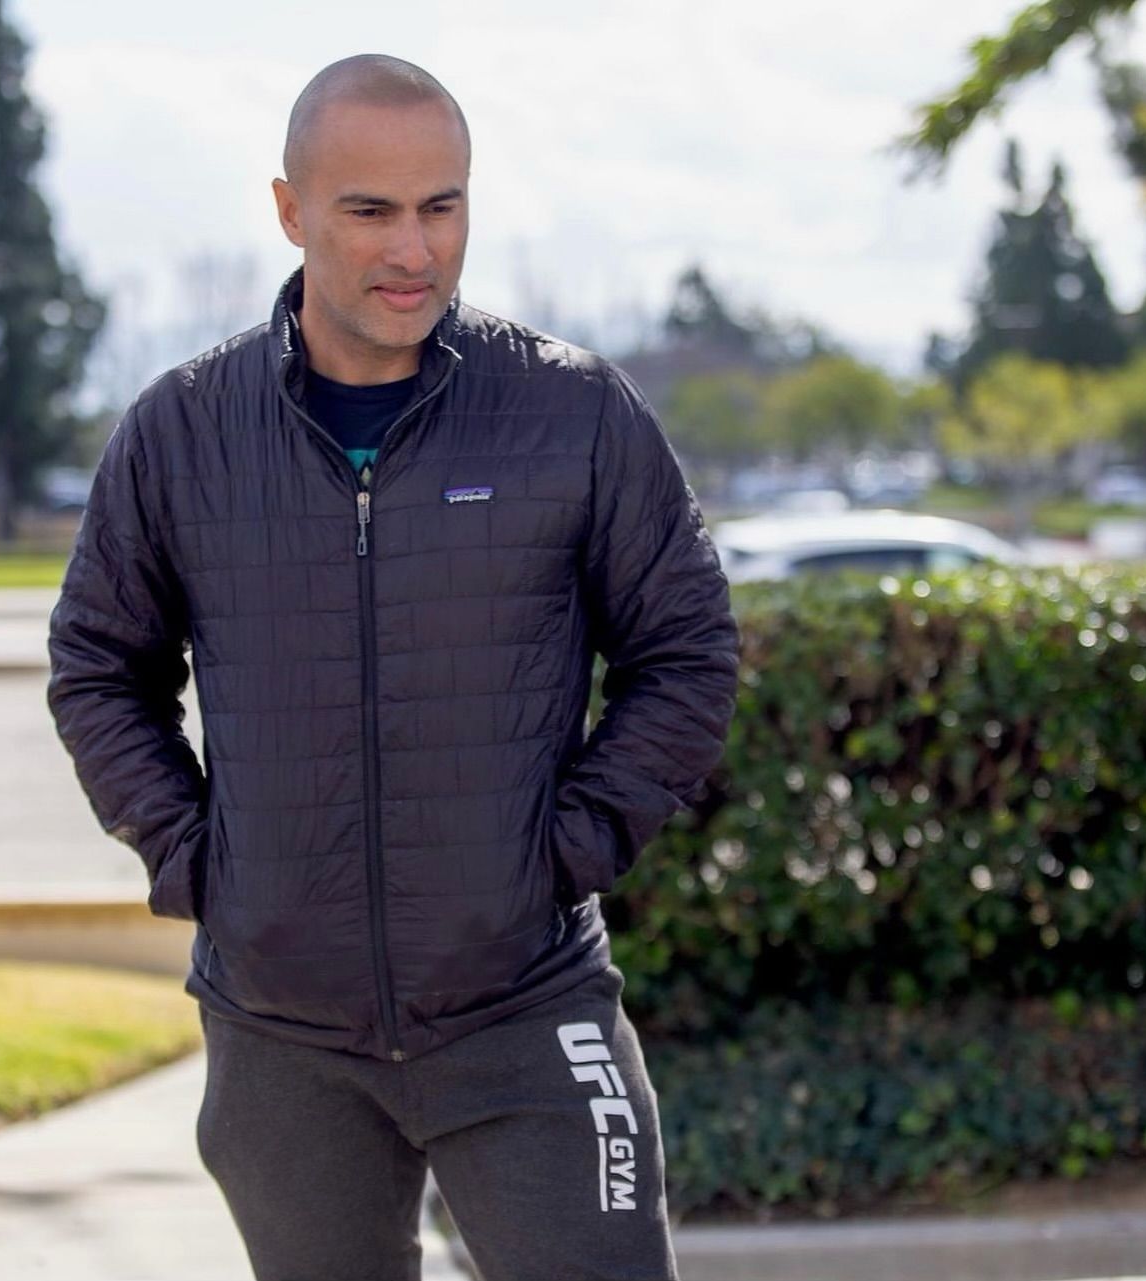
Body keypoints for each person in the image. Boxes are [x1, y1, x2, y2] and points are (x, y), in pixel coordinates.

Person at [48, 53, 739, 1281]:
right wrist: (200, 859)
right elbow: (100, 664)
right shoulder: (182, 431)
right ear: (289, 210)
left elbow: (684, 651)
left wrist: (561, 855)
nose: (413, 249)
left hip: (522, 1008)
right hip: (281, 1033)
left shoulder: (573, 415)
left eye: (441, 206)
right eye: (369, 210)